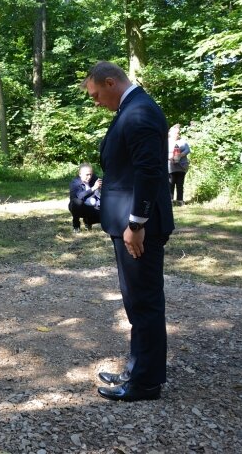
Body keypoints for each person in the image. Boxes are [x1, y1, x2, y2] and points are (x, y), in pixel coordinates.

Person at [82, 61, 174, 402]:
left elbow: (150, 173)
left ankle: (145, 383)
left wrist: (137, 223)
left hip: (139, 229)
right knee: (137, 303)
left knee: (145, 303)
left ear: (111, 82)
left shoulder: (139, 113)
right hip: (129, 226)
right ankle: (138, 369)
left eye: (95, 95)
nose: (95, 102)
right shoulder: (132, 109)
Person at [69, 163, 102, 232]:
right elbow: (80, 196)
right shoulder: (75, 182)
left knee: (105, 215)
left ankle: (88, 221)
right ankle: (76, 225)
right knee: (77, 202)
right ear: (80, 174)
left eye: (90, 174)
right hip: (79, 208)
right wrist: (93, 188)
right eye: (87, 174)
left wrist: (101, 188)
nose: (89, 177)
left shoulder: (94, 179)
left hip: (92, 206)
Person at [167, 124, 190, 206]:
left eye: (178, 133)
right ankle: (170, 200)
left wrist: (180, 155)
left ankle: (180, 200)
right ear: (170, 133)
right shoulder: (166, 141)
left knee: (180, 184)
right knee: (170, 184)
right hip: (170, 166)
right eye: (175, 133)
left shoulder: (183, 141)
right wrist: (170, 157)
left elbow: (187, 150)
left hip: (181, 166)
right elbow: (162, 152)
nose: (177, 135)